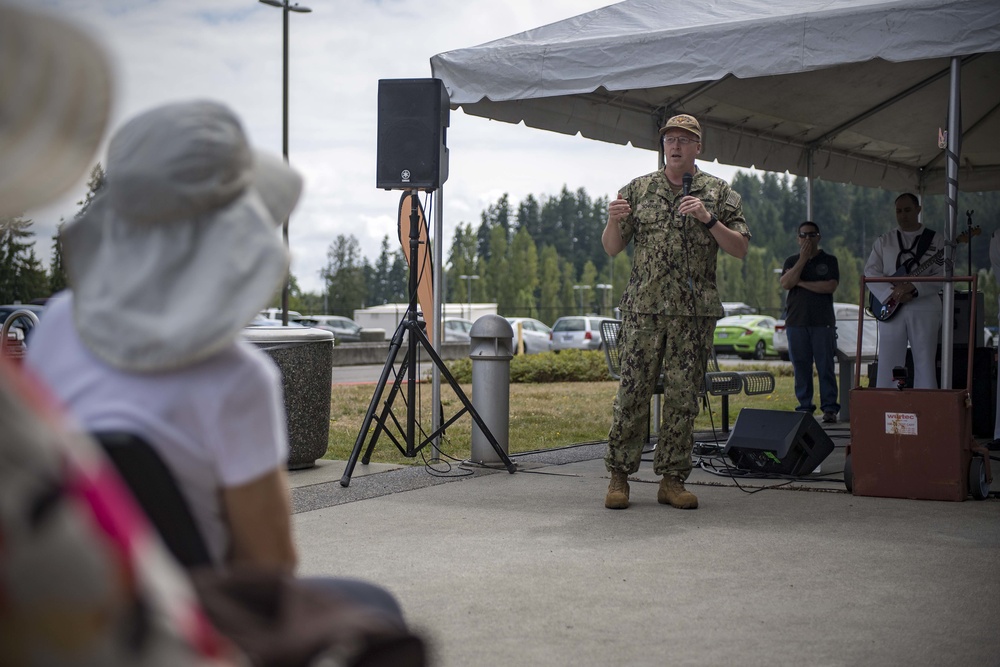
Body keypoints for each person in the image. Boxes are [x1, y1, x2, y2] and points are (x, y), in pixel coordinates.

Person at [24, 101, 408, 630]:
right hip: (182, 624)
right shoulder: (236, 379)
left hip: (62, 610)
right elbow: (269, 569)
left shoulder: (57, 326)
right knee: (375, 607)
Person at [601, 114, 751, 510]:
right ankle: (619, 477)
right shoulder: (637, 190)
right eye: (670, 139)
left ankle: (672, 479)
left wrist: (708, 218)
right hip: (644, 310)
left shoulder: (719, 194)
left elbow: (740, 248)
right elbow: (613, 247)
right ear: (663, 145)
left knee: (684, 398)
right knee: (632, 392)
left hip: (693, 314)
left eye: (685, 139)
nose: (676, 145)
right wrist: (613, 221)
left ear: (698, 147)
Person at [863, 193, 944, 389]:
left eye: (907, 210)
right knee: (888, 359)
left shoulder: (937, 240)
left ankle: (925, 405)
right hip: (891, 306)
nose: (903, 215)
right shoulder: (885, 240)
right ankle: (887, 404)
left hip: (924, 306)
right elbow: (871, 272)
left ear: (918, 210)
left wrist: (915, 288)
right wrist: (891, 293)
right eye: (899, 211)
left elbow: (943, 274)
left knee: (925, 359)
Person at [779, 221, 840, 422]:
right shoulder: (791, 260)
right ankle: (805, 407)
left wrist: (802, 283)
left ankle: (830, 409)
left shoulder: (829, 260)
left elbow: (830, 286)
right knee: (801, 367)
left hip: (823, 323)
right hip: (796, 322)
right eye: (803, 235)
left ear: (819, 237)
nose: (807, 239)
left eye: (812, 235)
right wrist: (803, 260)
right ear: (798, 239)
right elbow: (786, 283)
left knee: (825, 367)